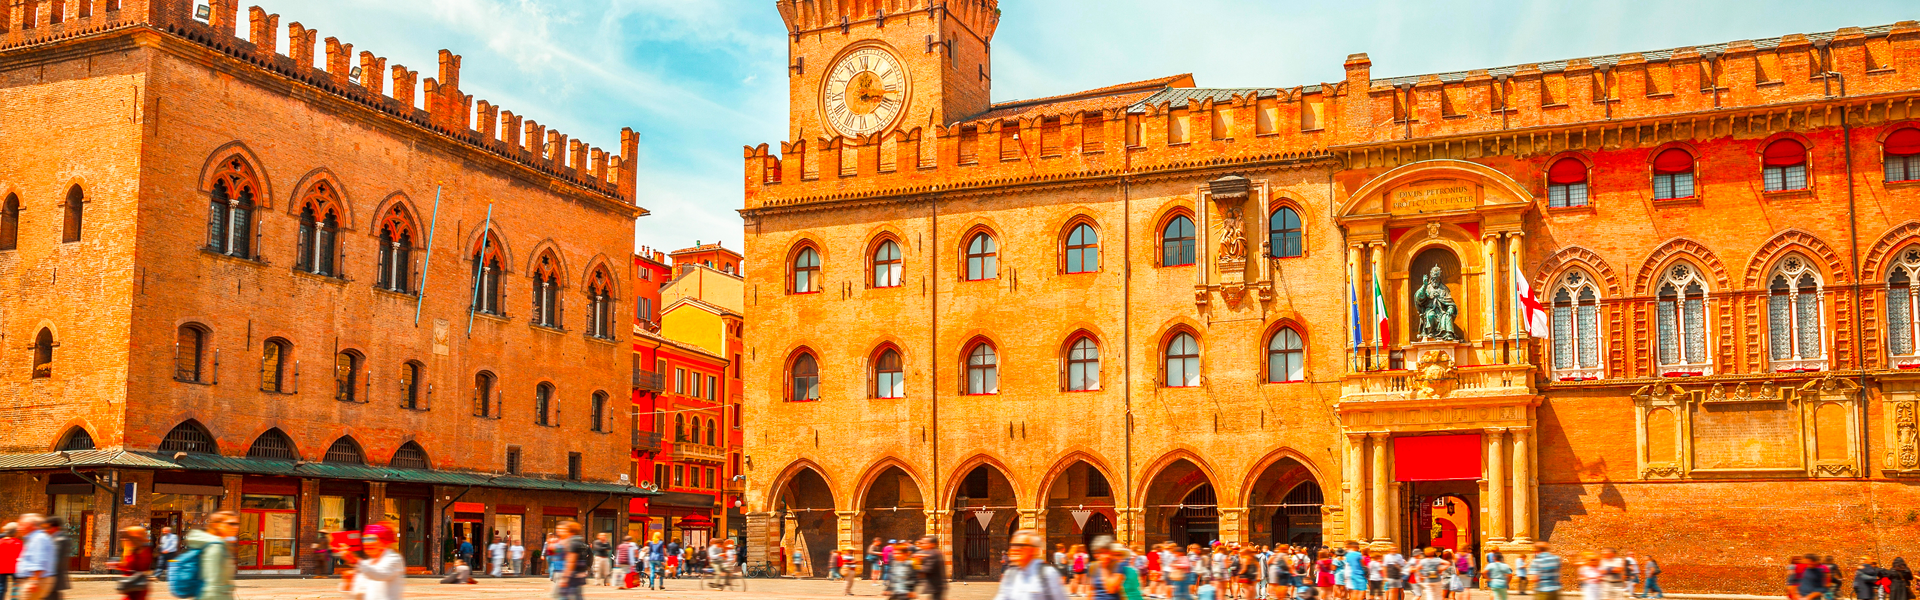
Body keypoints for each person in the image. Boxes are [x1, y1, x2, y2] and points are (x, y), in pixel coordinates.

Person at [338, 522, 408, 599]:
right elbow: (359, 594)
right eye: (364, 539)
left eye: (371, 539)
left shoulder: (394, 559)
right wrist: (349, 583)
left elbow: (380, 574)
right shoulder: (367, 563)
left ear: (384, 542)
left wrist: (354, 560)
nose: (367, 543)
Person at [994, 529, 1069, 600]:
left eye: (1020, 545)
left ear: (1033, 550)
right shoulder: (1010, 574)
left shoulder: (1047, 574)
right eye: (1013, 545)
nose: (1015, 549)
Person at [188, 511, 240, 600]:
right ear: (216, 525)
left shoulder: (224, 545)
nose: (235, 527)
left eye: (237, 524)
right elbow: (211, 585)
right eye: (231, 524)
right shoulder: (215, 548)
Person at [109, 526, 154, 600]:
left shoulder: (143, 550)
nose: (124, 540)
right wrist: (117, 565)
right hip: (132, 586)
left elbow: (136, 566)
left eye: (128, 537)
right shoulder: (135, 550)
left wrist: (118, 565)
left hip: (136, 585)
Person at [552, 521, 590, 600]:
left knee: (564, 596)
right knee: (576, 596)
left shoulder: (572, 543)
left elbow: (571, 562)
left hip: (572, 575)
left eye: (564, 529)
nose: (559, 531)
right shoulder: (578, 541)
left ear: (570, 531)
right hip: (578, 574)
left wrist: (565, 577)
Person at [0, 522, 20, 600]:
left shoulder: (0, 541)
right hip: (14, 568)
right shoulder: (17, 542)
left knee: (1, 586)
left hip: (1, 568)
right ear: (15, 532)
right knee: (16, 585)